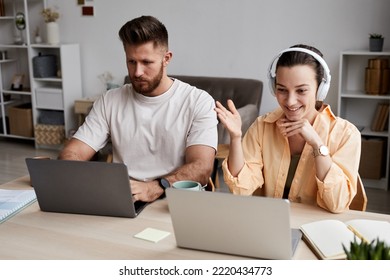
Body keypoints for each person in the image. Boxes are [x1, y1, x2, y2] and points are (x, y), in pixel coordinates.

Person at [59, 15, 218, 203]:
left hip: (174, 198)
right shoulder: (110, 101)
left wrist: (157, 186)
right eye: (131, 62)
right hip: (124, 198)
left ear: (166, 59)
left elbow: (202, 167)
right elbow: (72, 153)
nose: (137, 72)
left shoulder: (197, 101)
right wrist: (87, 180)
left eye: (146, 62)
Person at [215, 44, 361, 213]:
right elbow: (241, 190)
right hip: (270, 224)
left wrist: (317, 144)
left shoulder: (346, 134)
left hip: (317, 226)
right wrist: (235, 138)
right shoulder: (262, 127)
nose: (290, 101)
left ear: (321, 90)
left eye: (301, 90)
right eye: (282, 90)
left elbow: (337, 203)